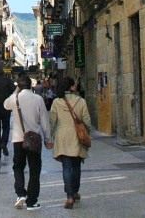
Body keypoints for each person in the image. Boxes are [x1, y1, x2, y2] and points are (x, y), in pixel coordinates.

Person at [4, 73, 52, 210]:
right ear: (31, 85)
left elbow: (5, 105)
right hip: (34, 139)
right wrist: (48, 139)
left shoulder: (15, 98)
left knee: (18, 167)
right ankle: (32, 201)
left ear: (18, 85)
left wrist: (16, 91)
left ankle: (20, 193)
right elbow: (45, 121)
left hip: (19, 140)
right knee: (34, 170)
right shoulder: (38, 99)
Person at [49, 77, 92, 209]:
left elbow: (52, 121)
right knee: (77, 166)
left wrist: (51, 136)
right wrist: (86, 132)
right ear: (72, 87)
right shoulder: (81, 101)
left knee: (66, 167)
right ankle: (74, 191)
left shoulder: (56, 102)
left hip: (62, 136)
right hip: (77, 136)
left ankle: (69, 197)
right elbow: (87, 121)